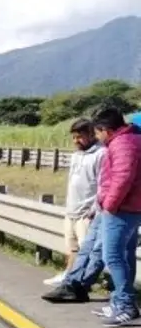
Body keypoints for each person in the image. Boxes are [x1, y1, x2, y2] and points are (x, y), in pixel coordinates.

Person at [92, 107, 141, 326]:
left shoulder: (122, 144)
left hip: (121, 209)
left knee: (112, 256)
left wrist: (109, 205)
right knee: (125, 254)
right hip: (129, 207)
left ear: (106, 130)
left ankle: (125, 304)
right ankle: (118, 301)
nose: (96, 137)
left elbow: (122, 177)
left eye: (97, 132)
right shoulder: (130, 140)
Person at [43, 119, 106, 287]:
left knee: (87, 249)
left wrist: (94, 209)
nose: (76, 141)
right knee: (71, 248)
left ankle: (84, 282)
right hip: (72, 209)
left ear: (91, 134)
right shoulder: (76, 155)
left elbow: (103, 184)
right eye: (74, 137)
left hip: (88, 212)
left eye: (80, 137)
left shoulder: (101, 154)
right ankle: (69, 276)